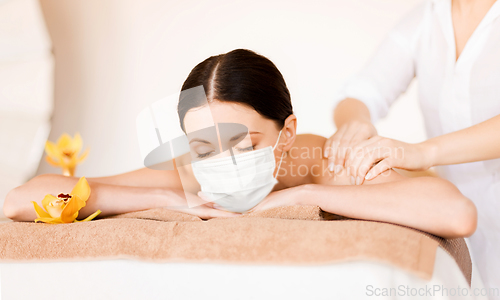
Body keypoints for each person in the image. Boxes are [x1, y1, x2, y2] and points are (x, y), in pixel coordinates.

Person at [3, 49, 476, 239]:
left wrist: (302, 196)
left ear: (285, 134)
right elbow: (22, 199)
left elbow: (456, 213)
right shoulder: (190, 170)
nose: (221, 162)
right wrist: (167, 198)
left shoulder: (326, 161)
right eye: (205, 148)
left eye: (244, 144)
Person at [323, 0, 500, 293]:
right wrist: (357, 122)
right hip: (462, 227)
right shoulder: (428, 18)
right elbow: (361, 92)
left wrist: (423, 152)